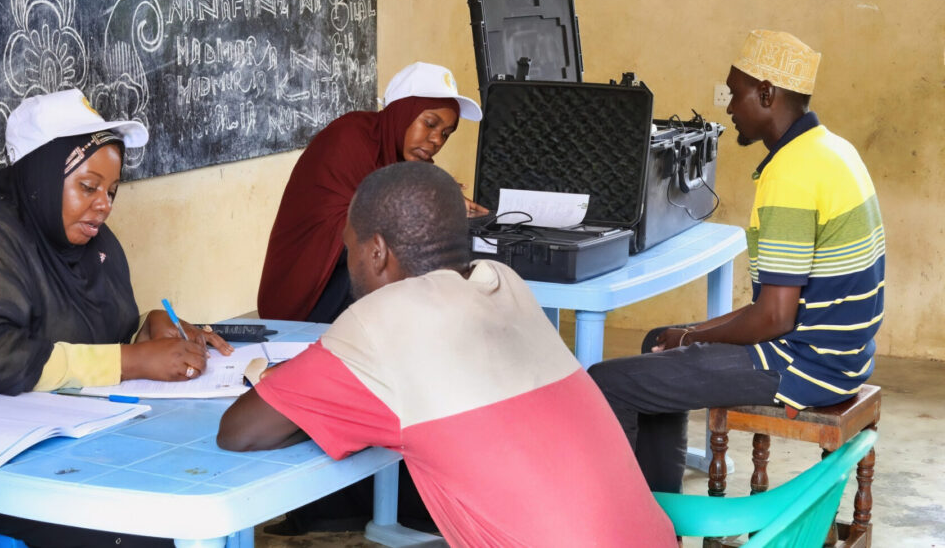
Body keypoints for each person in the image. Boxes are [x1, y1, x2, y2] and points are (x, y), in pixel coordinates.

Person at [218, 162, 677, 547]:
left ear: (376, 251)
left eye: (349, 248)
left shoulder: (383, 318)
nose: (350, 262)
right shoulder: (504, 283)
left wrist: (321, 409)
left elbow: (240, 432)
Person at [0, 89, 232, 548]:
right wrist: (133, 360)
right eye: (88, 186)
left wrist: (150, 328)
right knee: (135, 527)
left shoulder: (85, 242)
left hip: (41, 448)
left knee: (181, 486)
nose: (104, 205)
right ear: (41, 173)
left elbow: (92, 335)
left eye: (112, 190)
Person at [588, 30, 886, 494]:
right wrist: (688, 336)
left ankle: (634, 528)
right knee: (658, 341)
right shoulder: (832, 149)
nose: (729, 107)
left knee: (608, 381)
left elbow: (774, 317)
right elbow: (773, 308)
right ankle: (664, 515)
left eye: (736, 92)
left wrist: (693, 334)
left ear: (766, 94)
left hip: (804, 365)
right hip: (846, 356)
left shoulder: (792, 172)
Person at [258, 61, 485, 326]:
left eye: (446, 133)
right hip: (311, 290)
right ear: (401, 113)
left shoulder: (403, 158)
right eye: (430, 124)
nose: (436, 140)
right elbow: (352, 228)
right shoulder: (349, 137)